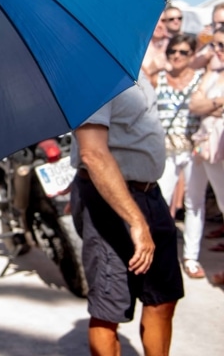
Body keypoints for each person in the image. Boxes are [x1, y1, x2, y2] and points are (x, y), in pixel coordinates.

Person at [69, 72, 184, 356]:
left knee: (163, 297)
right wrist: (136, 222)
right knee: (109, 306)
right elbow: (92, 154)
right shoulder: (92, 75)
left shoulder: (130, 66)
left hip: (149, 193)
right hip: (111, 199)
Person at [183, 26, 224, 279]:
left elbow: (201, 105)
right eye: (214, 45)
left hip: (219, 147)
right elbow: (194, 105)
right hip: (202, 145)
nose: (216, 50)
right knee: (193, 200)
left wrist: (207, 106)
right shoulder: (212, 72)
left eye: (222, 46)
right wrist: (217, 104)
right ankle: (190, 257)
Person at [153, 33, 203, 215]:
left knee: (194, 202)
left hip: (194, 148)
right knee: (161, 198)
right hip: (166, 148)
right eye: (172, 51)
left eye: (183, 52)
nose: (176, 56)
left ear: (192, 54)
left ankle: (191, 238)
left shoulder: (201, 79)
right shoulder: (158, 79)